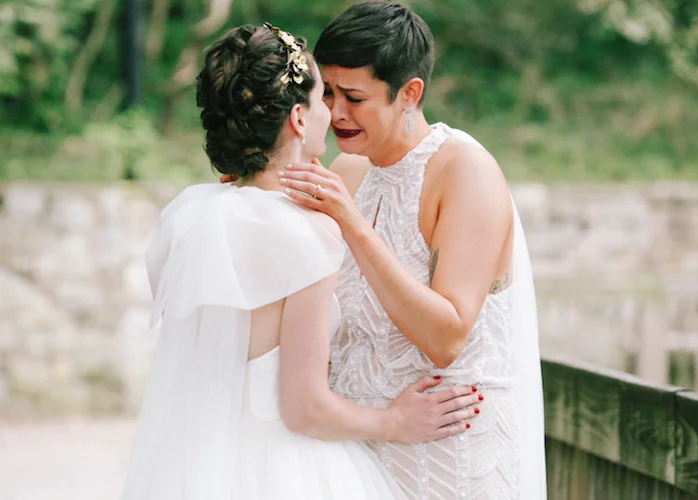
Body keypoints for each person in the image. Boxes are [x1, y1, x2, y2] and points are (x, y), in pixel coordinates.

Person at [120, 23, 487, 500]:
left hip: (203, 459)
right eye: (322, 100)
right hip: (283, 467)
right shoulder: (304, 233)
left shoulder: (192, 217)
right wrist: (395, 421)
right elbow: (304, 408)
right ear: (297, 118)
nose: (332, 113)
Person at [272, 3, 548, 499]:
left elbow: (445, 338)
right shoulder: (349, 172)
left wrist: (353, 225)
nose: (335, 113)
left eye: (354, 97)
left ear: (409, 93)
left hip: (450, 460)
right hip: (357, 456)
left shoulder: (465, 171)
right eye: (328, 93)